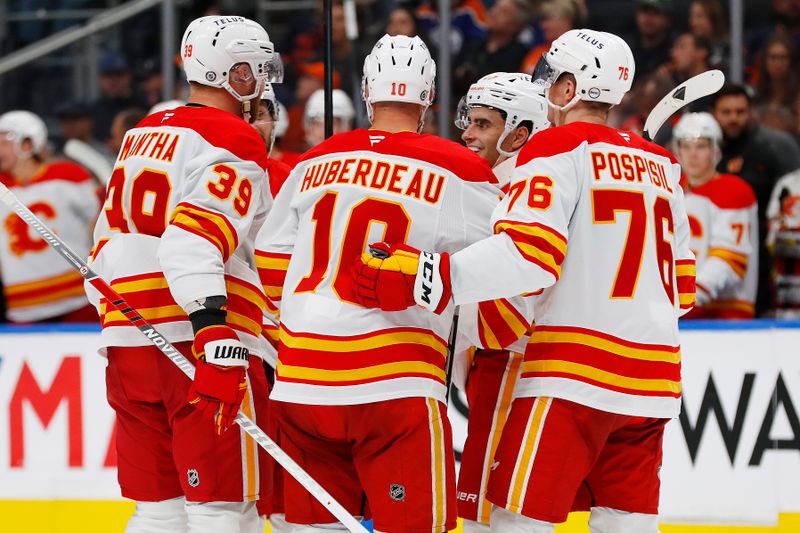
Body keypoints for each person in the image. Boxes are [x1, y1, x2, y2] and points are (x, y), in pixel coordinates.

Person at [353, 29, 696, 532]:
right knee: (626, 523)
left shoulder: (555, 144)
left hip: (574, 373)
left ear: (566, 89)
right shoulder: (663, 165)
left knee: (514, 520)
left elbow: (527, 256)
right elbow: (683, 291)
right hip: (655, 381)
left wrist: (433, 273)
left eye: (552, 78)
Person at [254, 34, 500, 533]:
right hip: (393, 385)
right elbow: (505, 259)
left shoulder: (312, 162)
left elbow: (272, 258)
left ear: (367, 90)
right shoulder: (459, 167)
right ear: (429, 98)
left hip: (304, 381)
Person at [85, 16, 282, 532]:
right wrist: (210, 322)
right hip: (198, 338)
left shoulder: (141, 133)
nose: (262, 81)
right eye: (257, 70)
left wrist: (114, 313)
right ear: (235, 73)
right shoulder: (234, 137)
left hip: (128, 337)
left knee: (157, 510)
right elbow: (193, 239)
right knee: (221, 506)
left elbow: (103, 245)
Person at [453, 72, 548, 532]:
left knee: (487, 516)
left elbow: (503, 320)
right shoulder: (514, 186)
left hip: (509, 363)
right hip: (513, 364)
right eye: (469, 121)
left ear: (520, 133)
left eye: (483, 124)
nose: (467, 133)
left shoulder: (515, 196)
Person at [0, 110, 100, 323]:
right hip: (24, 307)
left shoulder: (68, 176)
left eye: (4, 142)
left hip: (78, 300)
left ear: (27, 144)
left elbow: (100, 223)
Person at [711, 84, 800, 315]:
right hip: (712, 250)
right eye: (727, 112)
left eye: (740, 112)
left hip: (762, 256)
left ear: (750, 112)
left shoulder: (773, 148)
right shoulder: (703, 149)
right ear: (714, 113)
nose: (734, 118)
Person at [674, 113, 758, 318]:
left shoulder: (734, 191)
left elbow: (730, 260)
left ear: (716, 150)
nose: (692, 154)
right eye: (686, 146)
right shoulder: (671, 189)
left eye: (701, 146)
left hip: (727, 315)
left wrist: (692, 294)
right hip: (679, 309)